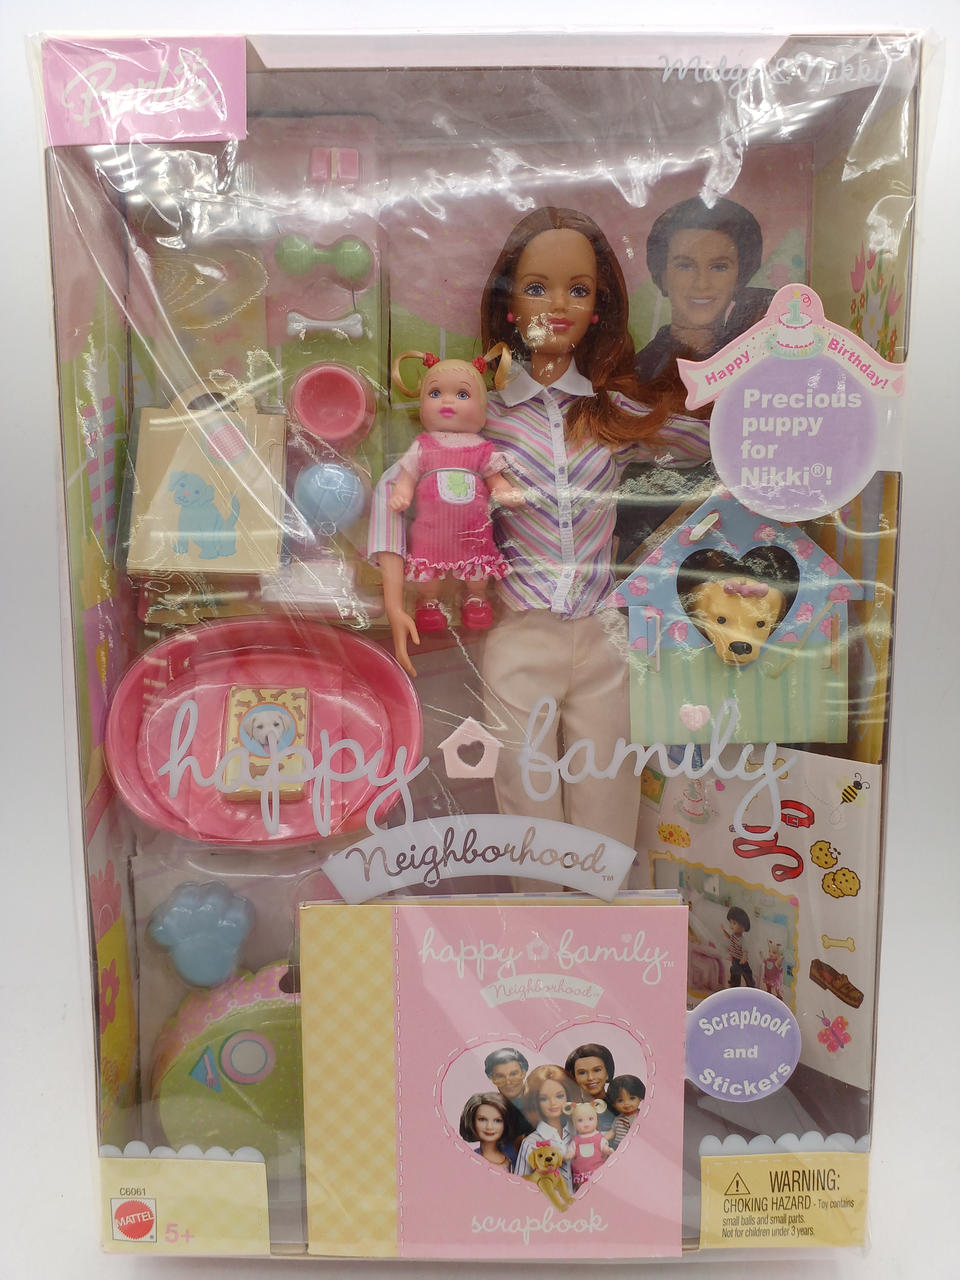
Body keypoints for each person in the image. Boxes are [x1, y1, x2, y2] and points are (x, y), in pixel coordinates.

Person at [369, 207, 710, 859]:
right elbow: (396, 488)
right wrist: (394, 595)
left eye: (578, 289)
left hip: (604, 632)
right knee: (526, 800)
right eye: (536, 287)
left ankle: (605, 922)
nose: (557, 305)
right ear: (508, 305)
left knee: (608, 795)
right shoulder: (482, 416)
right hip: (520, 627)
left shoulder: (612, 412)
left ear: (598, 308)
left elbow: (712, 446)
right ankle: (539, 918)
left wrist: (775, 420)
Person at [616, 196, 773, 561]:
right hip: (650, 555)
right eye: (685, 265)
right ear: (663, 276)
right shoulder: (636, 376)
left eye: (719, 266)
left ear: (740, 275)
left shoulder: (759, 373)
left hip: (745, 549)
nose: (702, 283)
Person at [385, 349, 525, 637]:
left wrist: (505, 491)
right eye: (435, 393)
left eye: (462, 394)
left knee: (477, 572)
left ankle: (476, 597)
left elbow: (495, 480)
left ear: (483, 409)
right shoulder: (423, 445)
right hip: (431, 531)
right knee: (429, 573)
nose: (447, 401)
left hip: (473, 530)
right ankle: (428, 602)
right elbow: (407, 477)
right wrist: (402, 493)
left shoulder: (482, 448)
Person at [513, 1064, 580, 1189]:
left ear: (568, 1096)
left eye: (559, 1096)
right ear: (535, 1102)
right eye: (544, 1099)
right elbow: (520, 1186)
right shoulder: (531, 1142)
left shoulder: (578, 1132)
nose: (553, 1103)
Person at [483, 1046, 533, 1143]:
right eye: (500, 1076)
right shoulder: (490, 1109)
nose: (508, 1082)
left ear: (523, 1073)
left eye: (513, 1074)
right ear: (492, 1078)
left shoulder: (542, 1100)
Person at [564, 1043, 617, 1134]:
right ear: (574, 1077)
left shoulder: (621, 1107)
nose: (590, 1078)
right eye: (582, 1073)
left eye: (597, 1070)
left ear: (607, 1073)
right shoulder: (569, 1110)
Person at [458, 1092, 516, 1171]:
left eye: (497, 1121)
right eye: (482, 1119)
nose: (489, 1127)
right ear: (472, 1122)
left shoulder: (515, 1157)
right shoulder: (469, 1159)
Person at [563, 1099, 612, 1187]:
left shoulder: (598, 1137)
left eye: (590, 1119)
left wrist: (607, 1150)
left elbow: (603, 1148)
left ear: (596, 1120)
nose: (586, 1123)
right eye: (580, 1120)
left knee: (601, 1186)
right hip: (581, 1173)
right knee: (584, 1189)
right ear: (574, 1123)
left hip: (597, 1170)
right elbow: (571, 1151)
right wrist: (569, 1155)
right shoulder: (576, 1140)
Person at [606, 1072, 646, 1149]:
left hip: (634, 1147)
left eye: (632, 1098)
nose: (627, 1104)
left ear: (640, 1097)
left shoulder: (640, 1116)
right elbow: (613, 1131)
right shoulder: (618, 1119)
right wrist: (603, 1140)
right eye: (620, 1100)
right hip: (619, 1148)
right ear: (613, 1103)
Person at [724, 905, 756, 988]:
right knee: (734, 971)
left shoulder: (742, 940)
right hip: (735, 958)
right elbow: (729, 937)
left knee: (747, 973)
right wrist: (724, 931)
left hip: (741, 961)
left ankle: (751, 984)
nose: (731, 926)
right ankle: (734, 983)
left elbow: (745, 950)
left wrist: (744, 958)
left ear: (743, 927)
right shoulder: (733, 935)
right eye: (730, 922)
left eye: (734, 923)